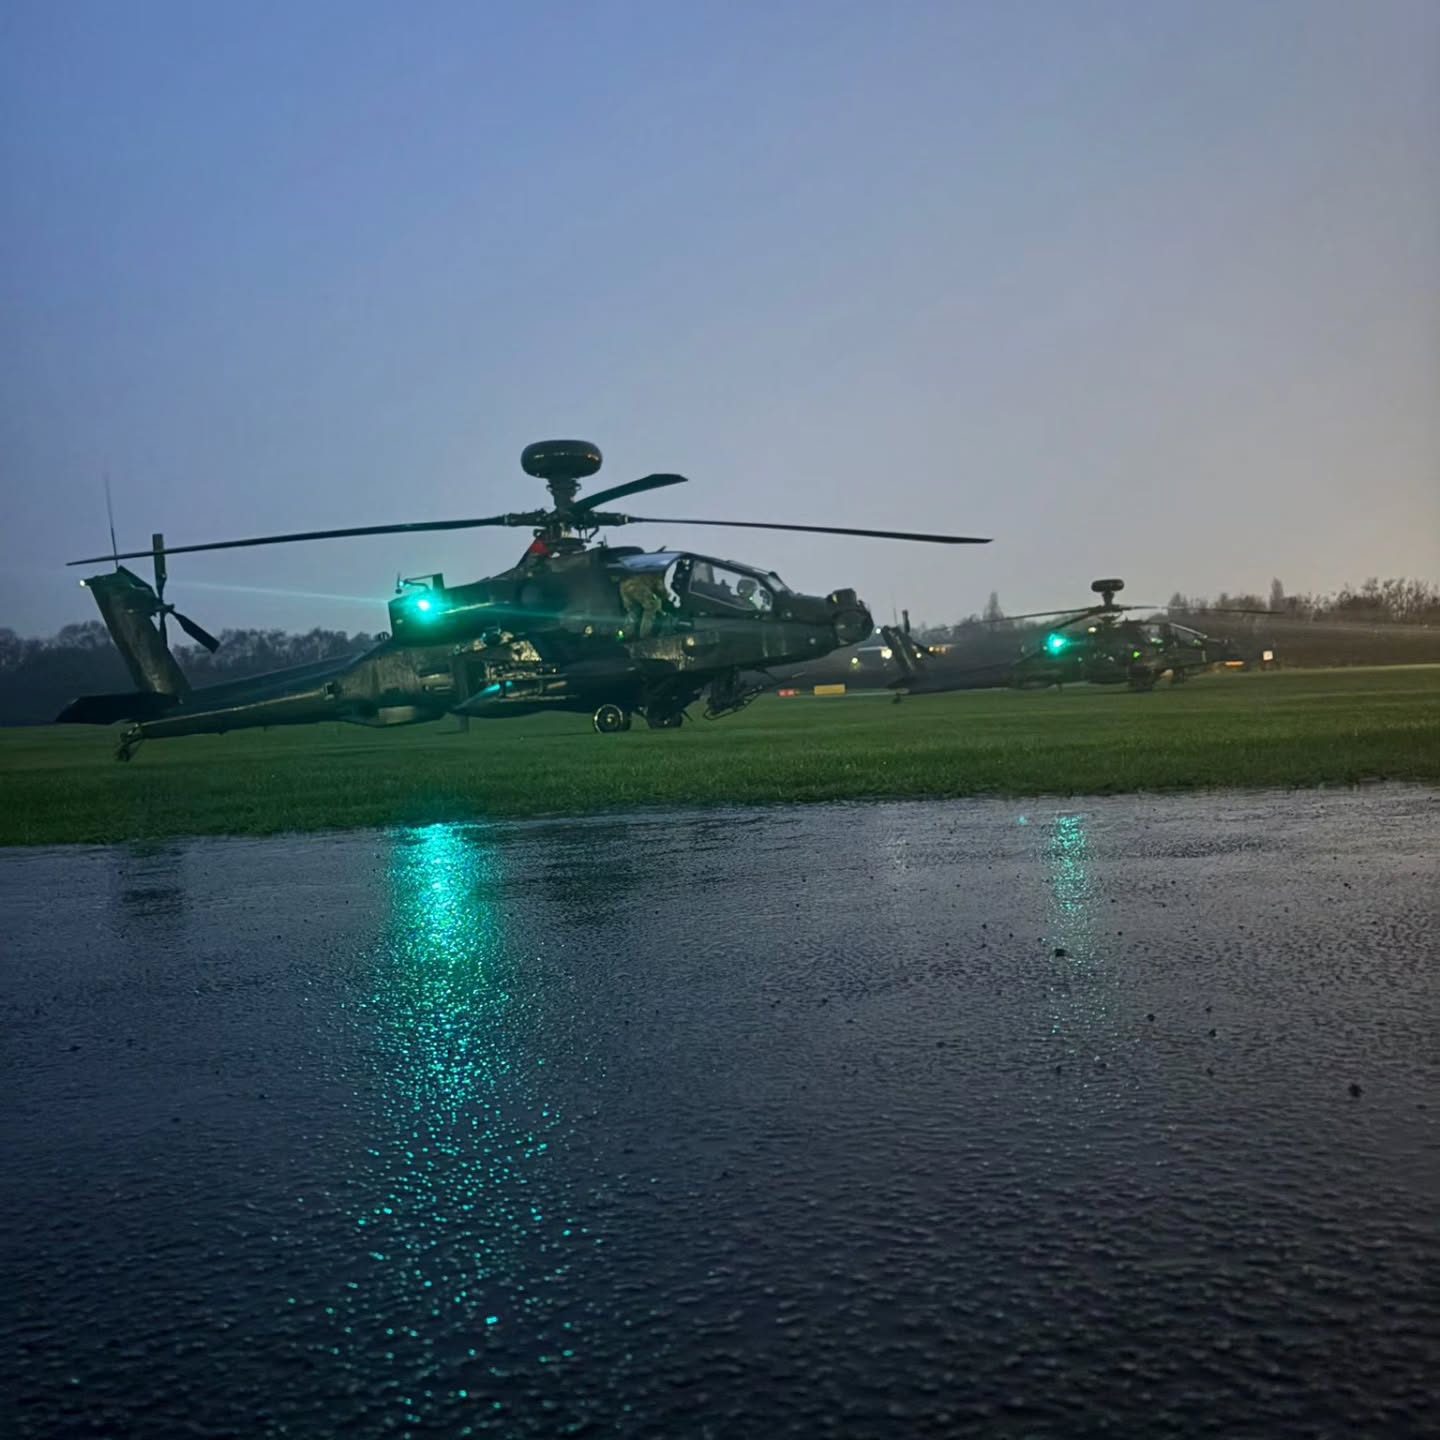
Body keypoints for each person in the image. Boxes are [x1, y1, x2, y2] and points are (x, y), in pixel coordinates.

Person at [618, 573, 666, 637]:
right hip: (637, 585)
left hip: (624, 584)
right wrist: (665, 597)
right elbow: (660, 589)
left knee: (634, 609)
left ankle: (626, 633)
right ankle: (645, 634)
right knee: (651, 606)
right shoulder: (659, 573)